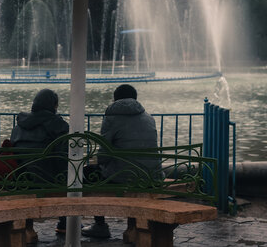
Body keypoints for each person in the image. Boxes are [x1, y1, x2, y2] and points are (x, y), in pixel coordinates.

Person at [81, 84, 160, 239]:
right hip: (151, 175)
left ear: (115, 99)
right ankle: (133, 225)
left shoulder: (112, 118)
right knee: (131, 171)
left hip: (124, 176)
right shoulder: (149, 118)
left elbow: (103, 156)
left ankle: (100, 225)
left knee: (89, 174)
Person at [10, 89, 69, 236]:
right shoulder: (58, 125)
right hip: (49, 180)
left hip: (21, 179)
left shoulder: (18, 126)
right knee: (69, 176)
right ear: (54, 106)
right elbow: (63, 159)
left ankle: (28, 228)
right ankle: (65, 222)